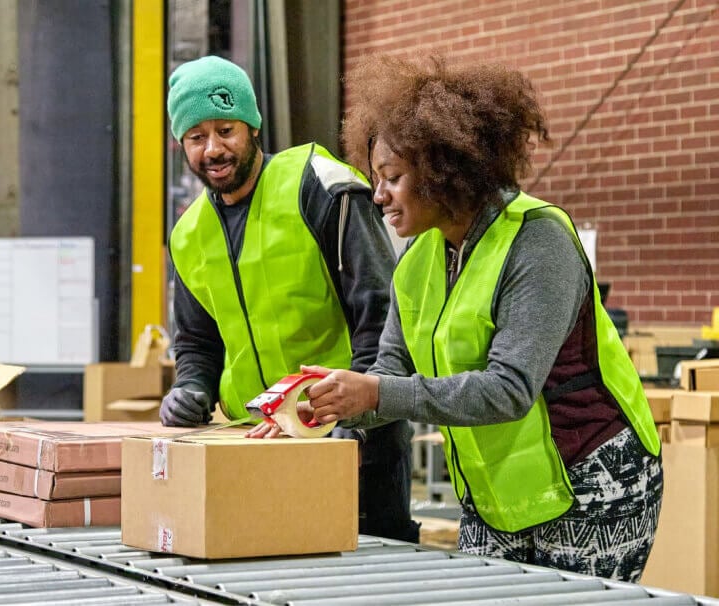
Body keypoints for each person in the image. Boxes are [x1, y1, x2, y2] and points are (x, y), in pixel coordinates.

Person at [303, 54, 663, 582]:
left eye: (392, 178)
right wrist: (324, 411)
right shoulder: (417, 262)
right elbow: (389, 372)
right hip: (493, 498)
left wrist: (376, 395)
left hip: (593, 487)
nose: (377, 195)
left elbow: (509, 389)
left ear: (443, 171)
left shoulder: (538, 243)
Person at [159, 55, 420, 543]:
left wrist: (359, 419)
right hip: (253, 442)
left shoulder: (317, 183)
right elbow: (196, 342)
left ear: (253, 126)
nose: (213, 149)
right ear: (182, 146)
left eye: (226, 130)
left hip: (349, 441)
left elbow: (383, 314)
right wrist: (191, 388)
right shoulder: (188, 234)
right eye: (197, 137)